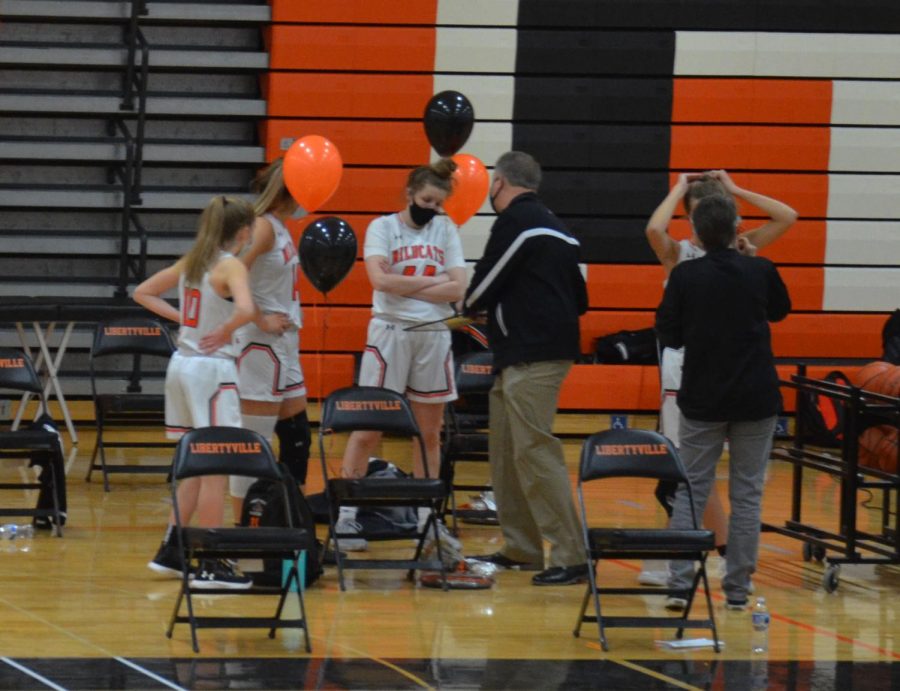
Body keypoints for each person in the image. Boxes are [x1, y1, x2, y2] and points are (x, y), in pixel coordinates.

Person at [639, 170, 798, 586]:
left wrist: (734, 189)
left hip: (704, 379)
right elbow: (655, 228)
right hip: (700, 374)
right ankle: (728, 567)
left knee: (692, 480)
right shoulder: (681, 254)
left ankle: (702, 561)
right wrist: (679, 189)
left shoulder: (737, 257)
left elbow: (787, 216)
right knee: (704, 481)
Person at [463, 151, 589, 586]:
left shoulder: (517, 222)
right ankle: (522, 548)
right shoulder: (561, 229)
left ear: (498, 184)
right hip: (520, 355)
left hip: (533, 357)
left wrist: (469, 306)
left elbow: (480, 287)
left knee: (534, 452)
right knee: (505, 455)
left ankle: (572, 554)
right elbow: (582, 297)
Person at [335, 158, 467, 554]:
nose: (433, 209)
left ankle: (427, 519)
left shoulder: (445, 228)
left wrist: (407, 284)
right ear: (410, 194)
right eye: (427, 199)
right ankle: (346, 516)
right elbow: (379, 280)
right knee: (368, 429)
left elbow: (458, 289)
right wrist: (435, 281)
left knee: (428, 433)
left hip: (433, 334)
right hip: (389, 332)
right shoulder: (382, 227)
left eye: (439, 203)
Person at [135, 195, 256, 589]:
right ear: (242, 232)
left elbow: (143, 292)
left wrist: (186, 322)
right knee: (217, 465)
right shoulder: (229, 264)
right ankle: (211, 560)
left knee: (194, 467)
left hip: (181, 367)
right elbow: (248, 310)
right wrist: (223, 329)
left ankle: (173, 549)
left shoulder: (193, 262)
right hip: (212, 370)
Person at [229, 159, 311, 521]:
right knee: (252, 444)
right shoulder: (262, 227)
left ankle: (291, 522)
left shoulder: (280, 227)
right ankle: (241, 531)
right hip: (260, 347)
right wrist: (259, 318)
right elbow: (229, 276)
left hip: (284, 345)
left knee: (297, 439)